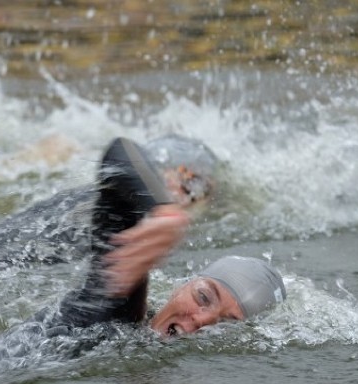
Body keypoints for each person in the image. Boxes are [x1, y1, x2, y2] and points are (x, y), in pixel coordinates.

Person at [36, 136, 286, 337]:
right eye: (203, 296)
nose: (203, 321)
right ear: (182, 286)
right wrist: (164, 212)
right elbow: (119, 151)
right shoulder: (116, 304)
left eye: (227, 325)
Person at [0, 134, 220, 268]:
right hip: (4, 262)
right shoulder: (143, 212)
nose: (188, 195)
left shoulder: (104, 189)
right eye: (189, 183)